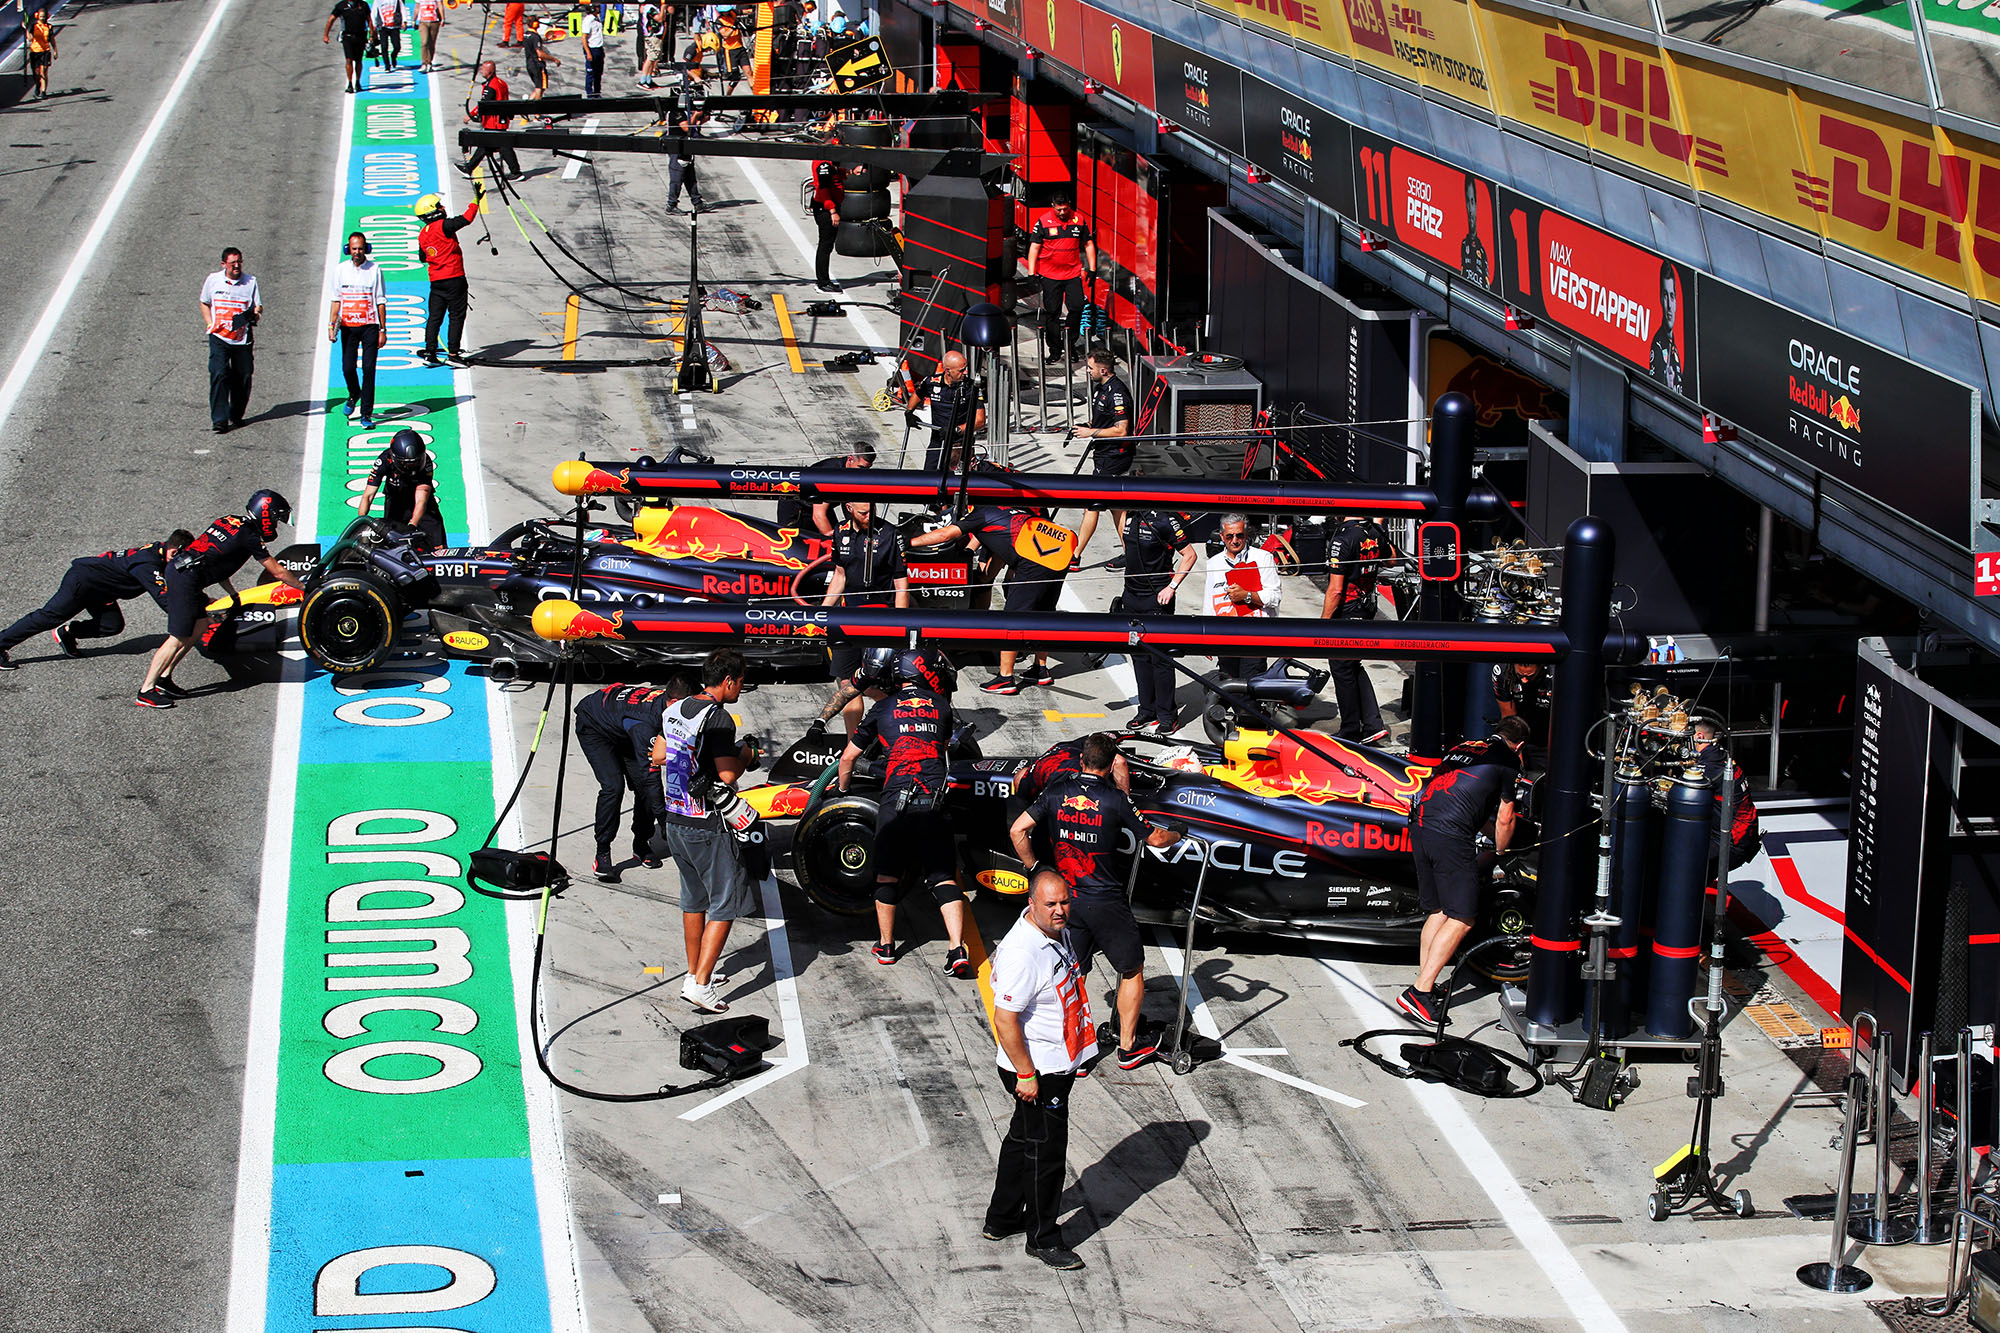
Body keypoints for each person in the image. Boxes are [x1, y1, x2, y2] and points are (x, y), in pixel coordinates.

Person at [1009, 732, 1181, 1068]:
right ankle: (1129, 1047)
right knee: (1132, 970)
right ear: (1111, 763)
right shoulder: (1115, 798)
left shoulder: (1056, 791)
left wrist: (1036, 869)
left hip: (1067, 901)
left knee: (1074, 973)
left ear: (1082, 760)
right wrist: (1178, 832)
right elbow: (1157, 839)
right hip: (1105, 900)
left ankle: (1075, 1049)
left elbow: (1018, 830)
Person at [981, 869, 1097, 1270]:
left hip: (1052, 1064)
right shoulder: (1023, 953)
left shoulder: (1052, 932)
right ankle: (1044, 1238)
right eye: (1051, 904)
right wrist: (1026, 1074)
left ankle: (1001, 1218)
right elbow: (1005, 1020)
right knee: (1045, 1155)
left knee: (1022, 1139)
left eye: (1064, 901)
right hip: (1036, 1071)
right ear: (1031, 904)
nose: (1060, 910)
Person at [837, 648, 977, 977]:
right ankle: (957, 948)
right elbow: (948, 748)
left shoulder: (881, 708)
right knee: (943, 876)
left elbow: (847, 760)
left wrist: (843, 792)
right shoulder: (942, 706)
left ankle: (886, 946)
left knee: (886, 875)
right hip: (933, 800)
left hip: (894, 803)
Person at [1397, 715, 1530, 1025]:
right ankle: (1420, 990)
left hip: (1419, 824)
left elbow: (1462, 797)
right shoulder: (1509, 760)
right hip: (1449, 834)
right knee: (1463, 916)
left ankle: (1423, 988)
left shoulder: (1464, 747)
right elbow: (1505, 819)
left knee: (1439, 910)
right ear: (1520, 745)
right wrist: (1502, 852)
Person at [656, 649, 761, 1013]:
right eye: (741, 680)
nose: (741, 687)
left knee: (693, 900)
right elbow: (728, 776)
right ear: (728, 680)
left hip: (674, 818)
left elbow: (660, 754)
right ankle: (701, 985)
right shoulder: (719, 719)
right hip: (706, 823)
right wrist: (745, 755)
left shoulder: (673, 709)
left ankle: (694, 972)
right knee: (724, 903)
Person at [137, 493, 304, 709]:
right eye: (275, 519)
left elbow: (214, 560)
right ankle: (146, 690)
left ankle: (164, 679)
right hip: (184, 580)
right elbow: (278, 572)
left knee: (198, 628)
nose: (275, 525)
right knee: (178, 637)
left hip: (185, 574)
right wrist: (304, 587)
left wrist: (234, 595)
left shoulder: (227, 520)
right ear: (265, 515)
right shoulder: (249, 536)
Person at [908, 500, 1063, 694]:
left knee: (1013, 621)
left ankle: (1006, 678)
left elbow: (944, 534)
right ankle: (1041, 670)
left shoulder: (979, 514)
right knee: (1043, 613)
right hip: (1058, 554)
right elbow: (1001, 552)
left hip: (1034, 562)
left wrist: (907, 542)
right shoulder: (1004, 513)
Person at [0, 530, 193, 670]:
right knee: (49, 616)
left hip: (102, 589)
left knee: (111, 625)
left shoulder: (160, 551)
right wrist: (194, 616)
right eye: (181, 558)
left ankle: (68, 633)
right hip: (83, 581)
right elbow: (165, 599)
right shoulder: (148, 565)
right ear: (174, 552)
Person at [575, 680, 690, 883]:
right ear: (672, 702)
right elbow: (651, 776)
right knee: (613, 787)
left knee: (642, 789)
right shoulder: (647, 723)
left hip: (624, 728)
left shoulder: (665, 706)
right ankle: (602, 851)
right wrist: (665, 822)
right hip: (595, 725)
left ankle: (641, 843)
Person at [820, 500, 908, 730]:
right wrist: (823, 612)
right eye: (863, 512)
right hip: (849, 616)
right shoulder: (840, 532)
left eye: (873, 510)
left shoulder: (890, 533)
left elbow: (901, 584)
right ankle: (852, 742)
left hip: (882, 617)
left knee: (878, 683)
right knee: (847, 682)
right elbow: (840, 575)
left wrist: (900, 624)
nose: (869, 515)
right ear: (848, 508)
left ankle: (894, 726)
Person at [1120, 503, 1198, 736]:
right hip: (1131, 595)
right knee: (1139, 655)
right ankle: (1146, 710)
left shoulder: (1166, 519)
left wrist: (1171, 587)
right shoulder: (1128, 515)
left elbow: (1190, 555)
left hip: (1156, 598)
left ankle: (1167, 715)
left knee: (1160, 659)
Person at [1319, 514, 1392, 744]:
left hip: (1348, 608)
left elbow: (1335, 590)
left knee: (1341, 666)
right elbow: (1391, 560)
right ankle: (1372, 724)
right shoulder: (1373, 531)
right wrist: (1380, 528)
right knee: (1351, 664)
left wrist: (1321, 624)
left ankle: (1351, 729)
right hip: (1367, 605)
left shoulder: (1342, 538)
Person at [1069, 350, 1132, 567]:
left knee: (1093, 504)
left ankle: (1075, 556)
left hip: (1114, 457)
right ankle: (1130, 553)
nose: (1087, 371)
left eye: (1090, 368)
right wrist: (1085, 427)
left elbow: (1121, 430)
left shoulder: (1117, 393)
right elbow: (1103, 421)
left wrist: (1091, 433)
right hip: (1104, 454)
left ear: (1103, 369)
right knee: (1117, 507)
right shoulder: (1101, 389)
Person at [1203, 512, 1281, 680]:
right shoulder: (1213, 563)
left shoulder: (1263, 558)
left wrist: (1247, 596)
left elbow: (1275, 597)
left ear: (1247, 535)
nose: (1235, 540)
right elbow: (1209, 603)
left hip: (1255, 637)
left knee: (1249, 692)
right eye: (1229, 536)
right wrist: (1206, 637)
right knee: (1229, 689)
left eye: (1239, 535)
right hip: (1225, 637)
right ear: (1222, 537)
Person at [1025, 191, 1096, 363]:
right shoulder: (1043, 221)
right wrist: (1031, 273)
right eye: (1059, 210)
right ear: (1053, 207)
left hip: (1072, 273)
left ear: (1069, 205)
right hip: (1050, 275)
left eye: (1065, 209)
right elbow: (1034, 247)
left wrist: (1092, 269)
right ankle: (1055, 350)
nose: (1062, 213)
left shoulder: (1078, 220)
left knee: (1077, 307)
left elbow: (1088, 243)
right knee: (1052, 313)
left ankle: (1070, 344)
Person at [415, 187, 482, 366]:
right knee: (456, 316)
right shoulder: (443, 226)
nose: (442, 207)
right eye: (439, 205)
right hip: (454, 278)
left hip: (436, 282)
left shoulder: (422, 234)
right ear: (433, 210)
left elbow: (423, 257)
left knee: (435, 317)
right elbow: (467, 218)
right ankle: (453, 354)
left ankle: (430, 352)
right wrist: (475, 201)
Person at [329, 231, 388, 429]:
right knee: (347, 368)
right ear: (348, 249)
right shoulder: (340, 270)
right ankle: (354, 393)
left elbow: (380, 301)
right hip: (348, 328)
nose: (357, 252)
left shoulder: (375, 269)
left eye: (361, 249)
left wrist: (383, 329)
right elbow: (336, 300)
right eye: (354, 249)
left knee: (369, 369)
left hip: (370, 326)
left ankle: (366, 414)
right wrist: (331, 326)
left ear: (366, 249)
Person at [200, 248, 262, 434]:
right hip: (219, 336)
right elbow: (204, 302)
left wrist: (255, 315)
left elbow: (258, 306)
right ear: (224, 264)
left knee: (243, 376)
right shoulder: (213, 280)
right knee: (219, 373)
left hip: (241, 339)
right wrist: (210, 323)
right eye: (233, 263)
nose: (236, 266)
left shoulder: (250, 282)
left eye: (239, 262)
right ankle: (219, 419)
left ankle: (236, 414)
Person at [894, 350, 985, 471]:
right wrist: (909, 412)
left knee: (957, 481)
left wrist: (957, 430)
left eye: (965, 368)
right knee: (928, 478)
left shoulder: (971, 387)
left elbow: (980, 421)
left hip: (960, 444)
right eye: (961, 370)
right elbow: (918, 394)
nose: (966, 372)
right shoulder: (931, 382)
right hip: (937, 440)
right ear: (948, 371)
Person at [357, 429, 446, 548]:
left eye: (415, 462)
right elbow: (368, 496)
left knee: (438, 547)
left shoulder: (426, 463)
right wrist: (361, 522)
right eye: (407, 464)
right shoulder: (383, 461)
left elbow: (421, 500)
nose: (412, 467)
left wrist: (412, 525)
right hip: (396, 503)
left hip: (423, 507)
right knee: (392, 546)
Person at [776, 439, 872, 536]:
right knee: (796, 541)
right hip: (797, 507)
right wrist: (833, 539)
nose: (864, 473)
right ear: (850, 459)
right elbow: (818, 516)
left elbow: (848, 504)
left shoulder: (852, 473)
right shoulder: (831, 476)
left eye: (868, 469)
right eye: (861, 468)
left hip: (823, 505)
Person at [460, 60, 522, 180]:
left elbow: (484, 104)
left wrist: (471, 115)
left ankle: (516, 172)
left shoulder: (491, 86)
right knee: (488, 145)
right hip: (502, 119)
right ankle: (469, 168)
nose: (481, 71)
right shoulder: (501, 82)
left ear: (489, 71)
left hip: (494, 122)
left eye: (483, 69)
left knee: (502, 146)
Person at [1491, 661, 1553, 756]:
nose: (1524, 680)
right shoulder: (1503, 670)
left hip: (1549, 731)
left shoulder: (1555, 672)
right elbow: (1509, 721)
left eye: (1530, 675)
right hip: (1519, 730)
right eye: (1520, 675)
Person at [808, 157, 844, 292]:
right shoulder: (823, 163)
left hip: (827, 208)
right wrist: (833, 211)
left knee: (827, 245)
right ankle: (823, 283)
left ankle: (823, 280)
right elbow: (823, 189)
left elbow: (836, 174)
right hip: (826, 210)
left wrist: (852, 172)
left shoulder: (828, 162)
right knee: (825, 245)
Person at [324, 0, 375, 93]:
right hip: (347, 37)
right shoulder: (341, 6)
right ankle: (350, 83)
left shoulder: (363, 5)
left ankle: (357, 81)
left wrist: (372, 35)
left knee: (359, 60)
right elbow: (331, 19)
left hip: (361, 36)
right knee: (349, 59)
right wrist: (326, 35)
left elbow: (369, 20)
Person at [1650, 261, 1683, 393]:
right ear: (1660, 299)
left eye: (1672, 296)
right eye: (1665, 296)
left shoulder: (1676, 346)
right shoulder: (1657, 345)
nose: (1669, 305)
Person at [522, 15, 561, 103]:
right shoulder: (535, 37)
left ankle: (527, 106)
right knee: (540, 87)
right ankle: (537, 113)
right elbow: (540, 53)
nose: (539, 23)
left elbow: (533, 43)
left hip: (529, 64)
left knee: (537, 87)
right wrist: (554, 59)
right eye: (537, 21)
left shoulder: (526, 35)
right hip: (537, 65)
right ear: (534, 23)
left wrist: (544, 39)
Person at [1459, 176, 1489, 286]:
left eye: (1472, 202)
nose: (1470, 209)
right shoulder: (1463, 245)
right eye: (1467, 201)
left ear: (1476, 204)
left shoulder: (1482, 251)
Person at [24, 8, 55, 100]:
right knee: (36, 73)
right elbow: (30, 39)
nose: (42, 18)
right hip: (35, 52)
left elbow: (52, 39)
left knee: (44, 72)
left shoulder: (49, 27)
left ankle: (44, 91)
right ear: (38, 16)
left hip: (45, 51)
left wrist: (55, 50)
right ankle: (38, 85)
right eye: (41, 17)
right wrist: (26, 28)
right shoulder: (34, 27)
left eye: (44, 17)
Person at [714, 4, 746, 88]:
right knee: (735, 77)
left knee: (749, 73)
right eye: (725, 11)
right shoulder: (719, 21)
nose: (727, 12)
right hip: (730, 50)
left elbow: (742, 12)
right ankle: (727, 95)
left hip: (740, 47)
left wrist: (754, 11)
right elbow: (725, 35)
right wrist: (733, 27)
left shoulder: (732, 13)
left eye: (728, 10)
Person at [579, 2, 606, 97]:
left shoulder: (596, 19)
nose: (600, 8)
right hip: (592, 49)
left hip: (598, 48)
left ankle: (597, 92)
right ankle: (590, 94)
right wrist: (588, 53)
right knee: (591, 73)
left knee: (598, 73)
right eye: (598, 7)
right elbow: (584, 37)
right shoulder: (588, 21)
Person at [665, 148, 702, 214]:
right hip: (677, 147)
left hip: (686, 147)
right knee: (677, 178)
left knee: (690, 176)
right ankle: (671, 205)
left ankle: (697, 203)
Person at [372, 0, 406, 69]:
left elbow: (403, 9)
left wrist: (404, 21)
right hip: (383, 27)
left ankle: (393, 56)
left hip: (395, 26)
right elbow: (374, 12)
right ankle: (387, 65)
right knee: (384, 47)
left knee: (397, 46)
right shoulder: (378, 1)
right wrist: (374, 24)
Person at [413, 0, 441, 72]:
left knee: (431, 43)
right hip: (423, 22)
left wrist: (443, 18)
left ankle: (429, 62)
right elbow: (417, 7)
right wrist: (414, 20)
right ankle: (424, 63)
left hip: (434, 21)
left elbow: (440, 5)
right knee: (424, 42)